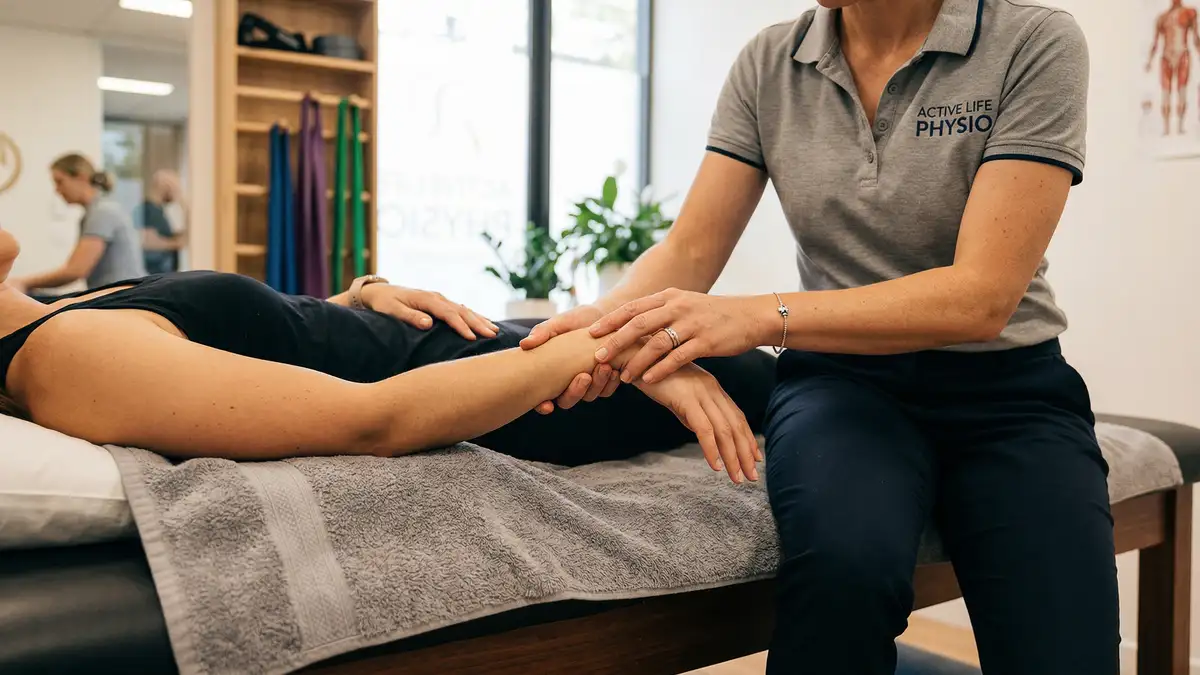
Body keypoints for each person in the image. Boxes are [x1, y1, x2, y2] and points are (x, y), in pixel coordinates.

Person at [521, 1, 1115, 673]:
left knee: (1068, 651)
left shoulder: (1032, 40)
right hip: (846, 385)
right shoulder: (771, 62)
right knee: (843, 574)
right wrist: (598, 329)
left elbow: (980, 297)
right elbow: (689, 250)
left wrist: (759, 315)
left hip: (1009, 392)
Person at [0, 223, 766, 472]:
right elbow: (370, 418)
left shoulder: (61, 314)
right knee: (769, 375)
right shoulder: (62, 359)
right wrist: (604, 348)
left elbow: (267, 343)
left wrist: (361, 293)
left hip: (482, 344)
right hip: (501, 389)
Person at [9, 154, 146, 294]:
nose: (57, 190)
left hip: (124, 300)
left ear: (81, 177)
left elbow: (75, 271)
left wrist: (23, 283)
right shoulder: (96, 211)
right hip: (115, 297)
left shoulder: (102, 212)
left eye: (60, 181)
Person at [1147, 0, 1200, 135]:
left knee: (1181, 92)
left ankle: (1180, 127)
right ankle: (1166, 128)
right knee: (1166, 93)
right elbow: (1155, 42)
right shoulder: (1162, 17)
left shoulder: (1190, 13)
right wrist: (1149, 61)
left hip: (1182, 55)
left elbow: (1196, 38)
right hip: (1166, 57)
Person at [134, 170, 188, 275]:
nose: (176, 192)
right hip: (154, 274)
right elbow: (148, 242)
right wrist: (174, 244)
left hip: (165, 274)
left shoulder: (160, 211)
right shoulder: (148, 210)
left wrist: (182, 205)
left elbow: (180, 237)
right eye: (175, 188)